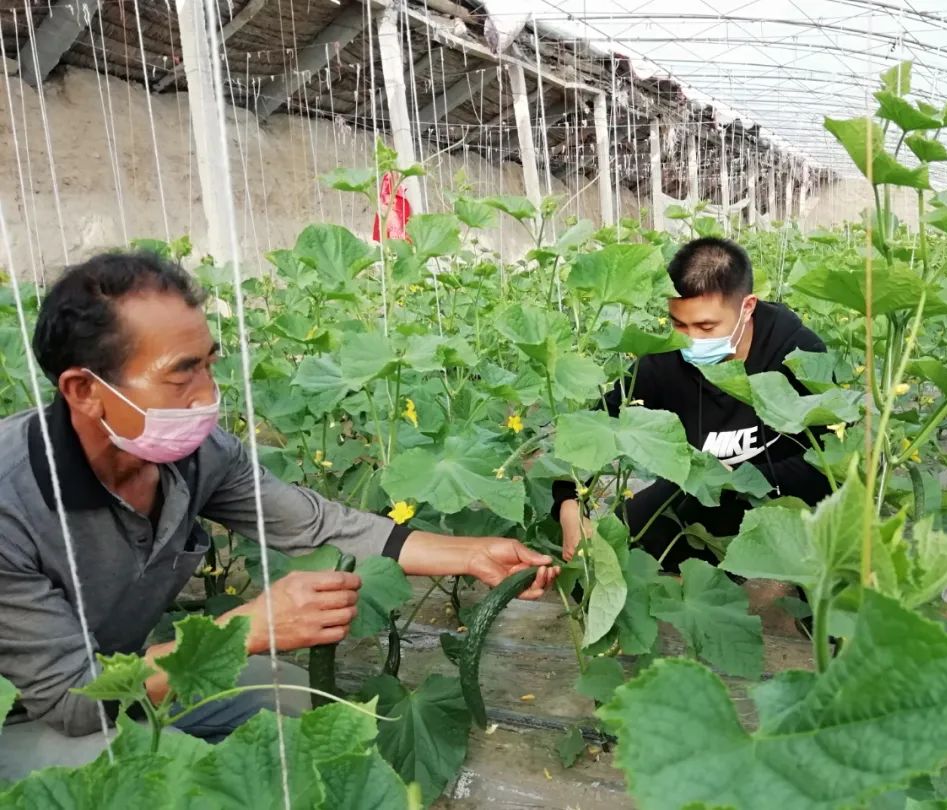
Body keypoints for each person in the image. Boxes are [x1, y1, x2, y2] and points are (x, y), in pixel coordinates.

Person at [0, 252, 558, 780]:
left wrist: (471, 554)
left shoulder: (196, 455)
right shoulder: (9, 502)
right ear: (83, 390)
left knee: (306, 708)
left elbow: (318, 524)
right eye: (181, 373)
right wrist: (244, 629)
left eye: (209, 365)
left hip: (137, 673)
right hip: (32, 714)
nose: (207, 395)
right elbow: (72, 699)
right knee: (151, 773)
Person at [553, 236, 831, 571]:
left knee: (829, 581)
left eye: (706, 326)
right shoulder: (663, 357)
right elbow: (595, 427)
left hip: (784, 496)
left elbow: (827, 468)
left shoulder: (798, 353)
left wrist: (741, 476)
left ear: (747, 307)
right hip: (701, 491)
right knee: (605, 560)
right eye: (679, 324)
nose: (690, 339)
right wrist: (569, 506)